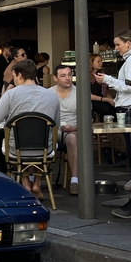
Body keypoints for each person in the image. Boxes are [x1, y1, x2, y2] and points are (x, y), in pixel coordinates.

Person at [0, 60, 60, 198]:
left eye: (13, 76)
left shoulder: (11, 95)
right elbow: (57, 125)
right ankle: (36, 185)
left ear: (19, 75)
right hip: (45, 150)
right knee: (39, 144)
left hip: (16, 150)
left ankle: (25, 184)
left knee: (18, 144)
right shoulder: (52, 95)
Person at [95, 30, 131, 218]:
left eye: (118, 44)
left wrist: (107, 80)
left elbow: (130, 85)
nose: (116, 48)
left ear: (128, 43)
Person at [50, 65, 79, 195]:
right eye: (63, 76)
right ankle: (34, 181)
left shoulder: (79, 93)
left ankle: (74, 180)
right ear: (55, 78)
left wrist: (74, 128)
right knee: (37, 136)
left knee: (72, 138)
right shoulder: (48, 93)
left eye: (69, 74)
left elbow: (87, 120)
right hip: (52, 130)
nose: (68, 78)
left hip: (72, 130)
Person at [89, 53, 116, 120]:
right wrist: (107, 100)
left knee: (115, 109)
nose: (101, 63)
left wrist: (113, 101)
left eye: (101, 61)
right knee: (106, 110)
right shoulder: (87, 77)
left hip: (102, 100)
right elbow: (88, 96)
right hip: (92, 101)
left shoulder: (101, 75)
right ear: (91, 62)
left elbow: (106, 92)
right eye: (98, 61)